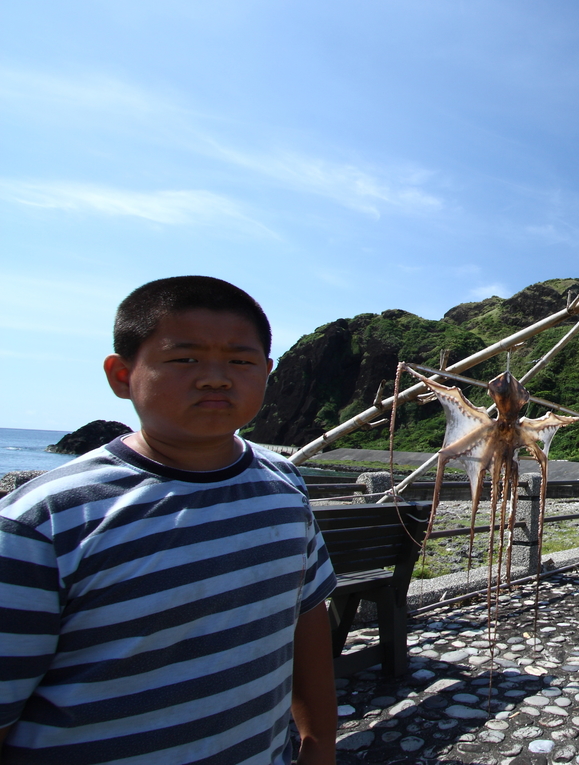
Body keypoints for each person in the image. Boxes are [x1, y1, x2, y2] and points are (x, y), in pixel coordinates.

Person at [0, 276, 337, 764]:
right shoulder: (46, 521)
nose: (216, 378)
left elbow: (306, 615)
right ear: (121, 375)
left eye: (240, 362)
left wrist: (319, 744)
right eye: (184, 359)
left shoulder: (284, 483)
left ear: (267, 372)